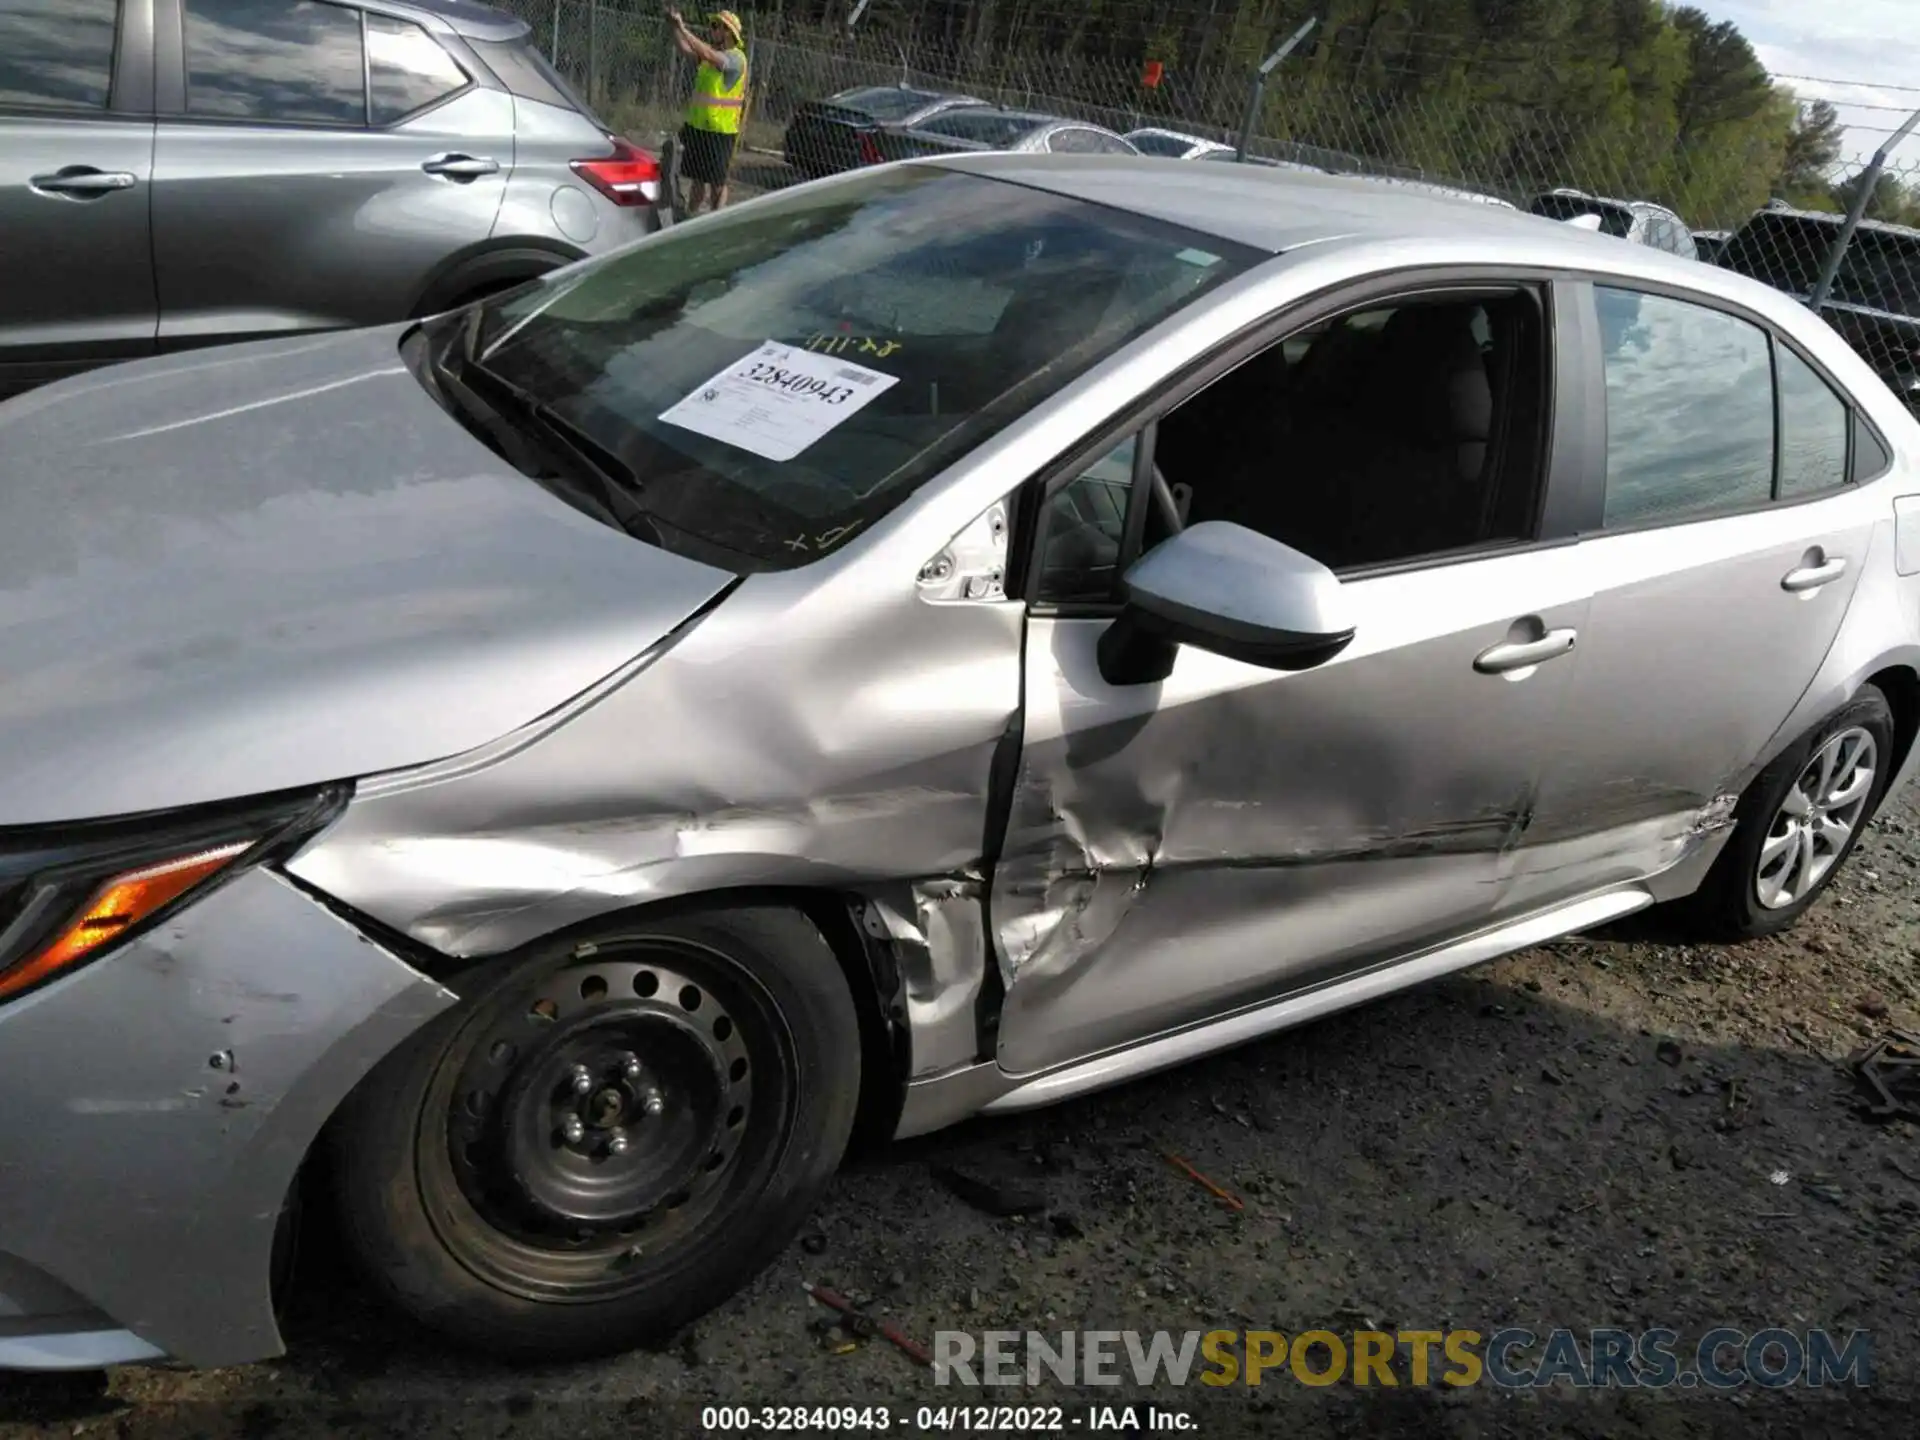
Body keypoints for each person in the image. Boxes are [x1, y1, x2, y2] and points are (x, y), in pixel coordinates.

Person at [670, 9, 748, 215]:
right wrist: (674, 29)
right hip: (699, 126)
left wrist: (683, 28)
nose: (711, 30)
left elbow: (706, 54)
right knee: (697, 179)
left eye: (716, 26)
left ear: (728, 32)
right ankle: (690, 216)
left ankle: (716, 218)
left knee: (717, 184)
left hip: (720, 132)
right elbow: (687, 51)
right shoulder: (712, 55)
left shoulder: (735, 59)